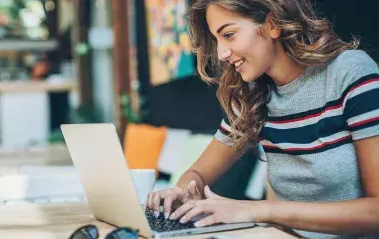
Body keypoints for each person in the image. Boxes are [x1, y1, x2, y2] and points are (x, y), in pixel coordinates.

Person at [144, 0, 379, 238]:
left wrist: (259, 210)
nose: (221, 53)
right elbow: (198, 175)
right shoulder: (254, 96)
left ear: (273, 24)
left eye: (229, 34)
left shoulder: (350, 73)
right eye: (217, 40)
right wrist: (182, 192)